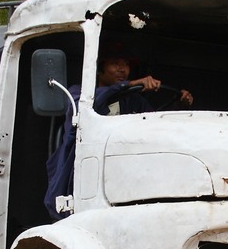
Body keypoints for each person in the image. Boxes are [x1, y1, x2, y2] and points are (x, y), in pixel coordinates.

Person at [43, 53, 193, 219]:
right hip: (86, 173)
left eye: (126, 64)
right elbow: (84, 109)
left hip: (126, 170)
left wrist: (179, 105)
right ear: (99, 69)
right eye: (115, 63)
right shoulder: (79, 94)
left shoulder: (132, 101)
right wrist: (127, 85)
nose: (122, 69)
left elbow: (154, 125)